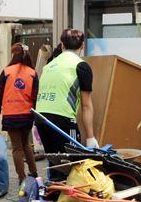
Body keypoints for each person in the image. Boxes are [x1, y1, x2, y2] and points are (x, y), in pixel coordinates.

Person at [35, 28, 98, 181]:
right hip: (62, 120)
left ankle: (55, 199)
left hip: (40, 118)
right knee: (71, 166)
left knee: (55, 163)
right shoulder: (80, 66)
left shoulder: (49, 65)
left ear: (62, 45)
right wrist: (90, 137)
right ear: (82, 46)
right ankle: (67, 201)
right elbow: (86, 105)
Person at [0, 43, 39, 184]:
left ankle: (22, 179)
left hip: (10, 115)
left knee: (17, 147)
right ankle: (34, 172)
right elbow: (35, 97)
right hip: (27, 114)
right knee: (26, 144)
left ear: (13, 54)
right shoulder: (32, 73)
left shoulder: (6, 71)